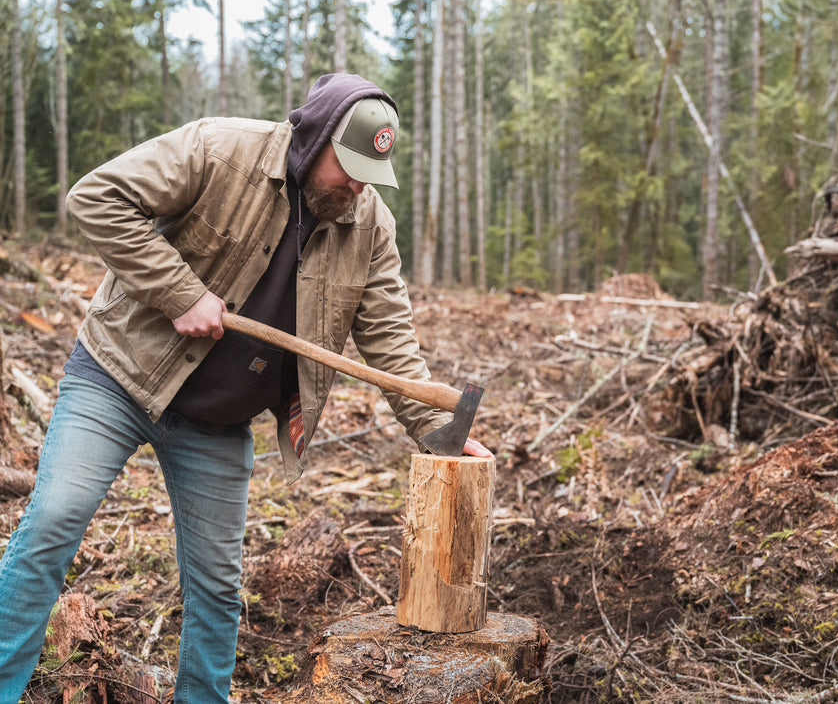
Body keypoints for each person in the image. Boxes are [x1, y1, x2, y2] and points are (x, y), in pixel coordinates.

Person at [0, 73, 492, 703]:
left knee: (216, 587)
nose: (358, 183)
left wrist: (433, 430)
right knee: (53, 520)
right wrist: (179, 293)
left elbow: (389, 337)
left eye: (371, 171)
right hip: (119, 378)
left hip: (218, 421)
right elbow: (98, 196)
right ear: (309, 140)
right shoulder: (216, 149)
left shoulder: (369, 224)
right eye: (346, 167)